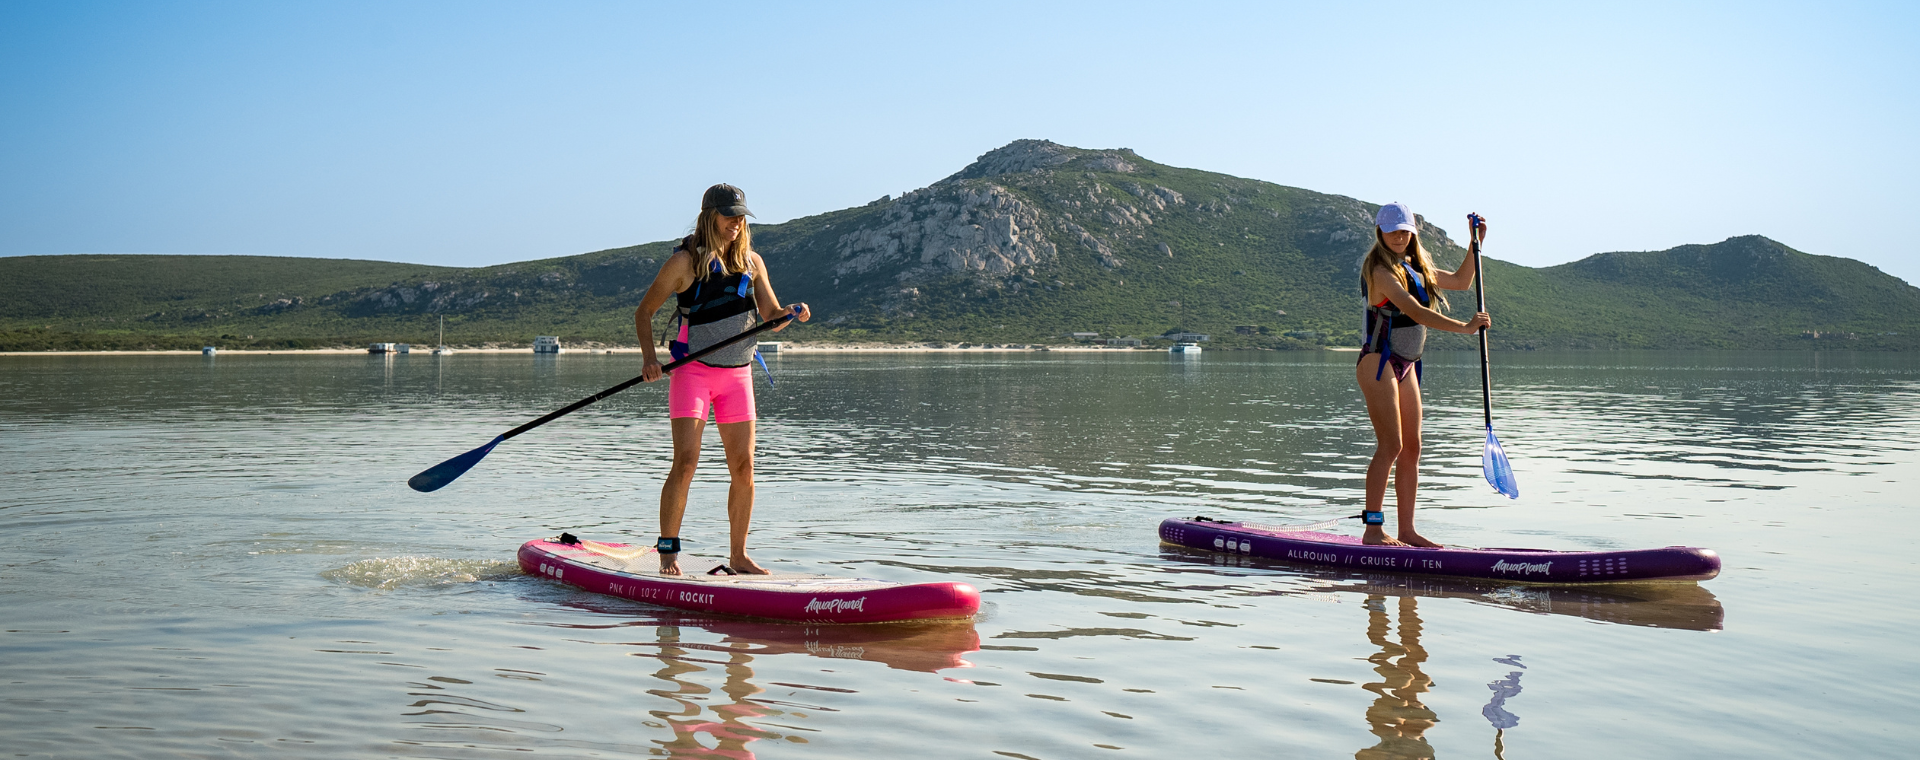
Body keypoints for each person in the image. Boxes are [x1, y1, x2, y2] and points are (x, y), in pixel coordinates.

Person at [634, 183, 810, 575]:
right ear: (709, 216)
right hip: (693, 375)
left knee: (744, 468)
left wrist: (791, 312)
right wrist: (649, 358)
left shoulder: (752, 261)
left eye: (741, 217)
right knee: (686, 462)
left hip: (738, 377)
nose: (737, 223)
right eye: (729, 216)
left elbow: (770, 317)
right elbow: (643, 312)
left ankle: (738, 555)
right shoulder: (683, 264)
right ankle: (668, 553)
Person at [1355, 202, 1490, 547]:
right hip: (1379, 362)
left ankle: (1407, 531)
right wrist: (1465, 327)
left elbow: (1461, 281)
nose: (1399, 236)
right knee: (1391, 445)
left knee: (1412, 448)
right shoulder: (1380, 271)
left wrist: (1475, 246)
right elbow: (1413, 310)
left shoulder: (1417, 268)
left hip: (1408, 364)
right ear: (1380, 233)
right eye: (1392, 231)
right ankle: (1373, 530)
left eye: (1405, 231)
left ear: (1412, 233)